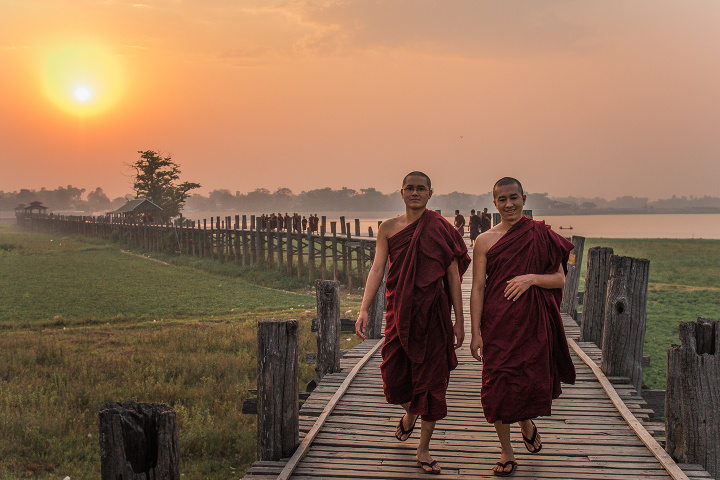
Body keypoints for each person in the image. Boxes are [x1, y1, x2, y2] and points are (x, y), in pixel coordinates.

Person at [356, 171, 470, 474]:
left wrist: (459, 321)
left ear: (430, 194)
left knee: (432, 383)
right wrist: (365, 308)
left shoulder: (442, 229)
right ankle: (409, 416)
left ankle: (423, 449)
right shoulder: (388, 228)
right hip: (398, 312)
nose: (415, 193)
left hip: (433, 315)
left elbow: (453, 279)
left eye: (421, 189)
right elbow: (378, 268)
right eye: (410, 188)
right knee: (393, 377)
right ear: (401, 192)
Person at [469, 177, 576, 477]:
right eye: (502, 199)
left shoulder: (540, 234)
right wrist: (475, 332)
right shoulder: (484, 241)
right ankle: (506, 451)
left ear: (524, 198)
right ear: (494, 203)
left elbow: (559, 279)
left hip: (532, 322)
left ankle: (526, 422)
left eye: (514, 197)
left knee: (528, 380)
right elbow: (478, 287)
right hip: (498, 322)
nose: (509, 204)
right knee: (497, 385)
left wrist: (531, 278)